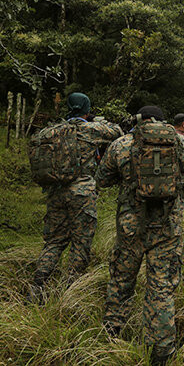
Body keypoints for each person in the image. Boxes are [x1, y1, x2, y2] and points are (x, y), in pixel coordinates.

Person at [96, 106, 184, 365]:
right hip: (168, 227)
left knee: (121, 279)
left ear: (138, 120)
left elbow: (102, 179)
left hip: (130, 227)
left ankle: (111, 335)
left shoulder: (122, 143)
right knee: (161, 287)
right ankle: (161, 350)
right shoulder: (180, 142)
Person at [29, 92, 122, 299]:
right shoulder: (90, 129)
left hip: (56, 192)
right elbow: (117, 132)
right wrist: (101, 120)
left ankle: (37, 288)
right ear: (87, 110)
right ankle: (70, 292)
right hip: (82, 192)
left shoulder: (53, 131)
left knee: (54, 242)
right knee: (81, 242)